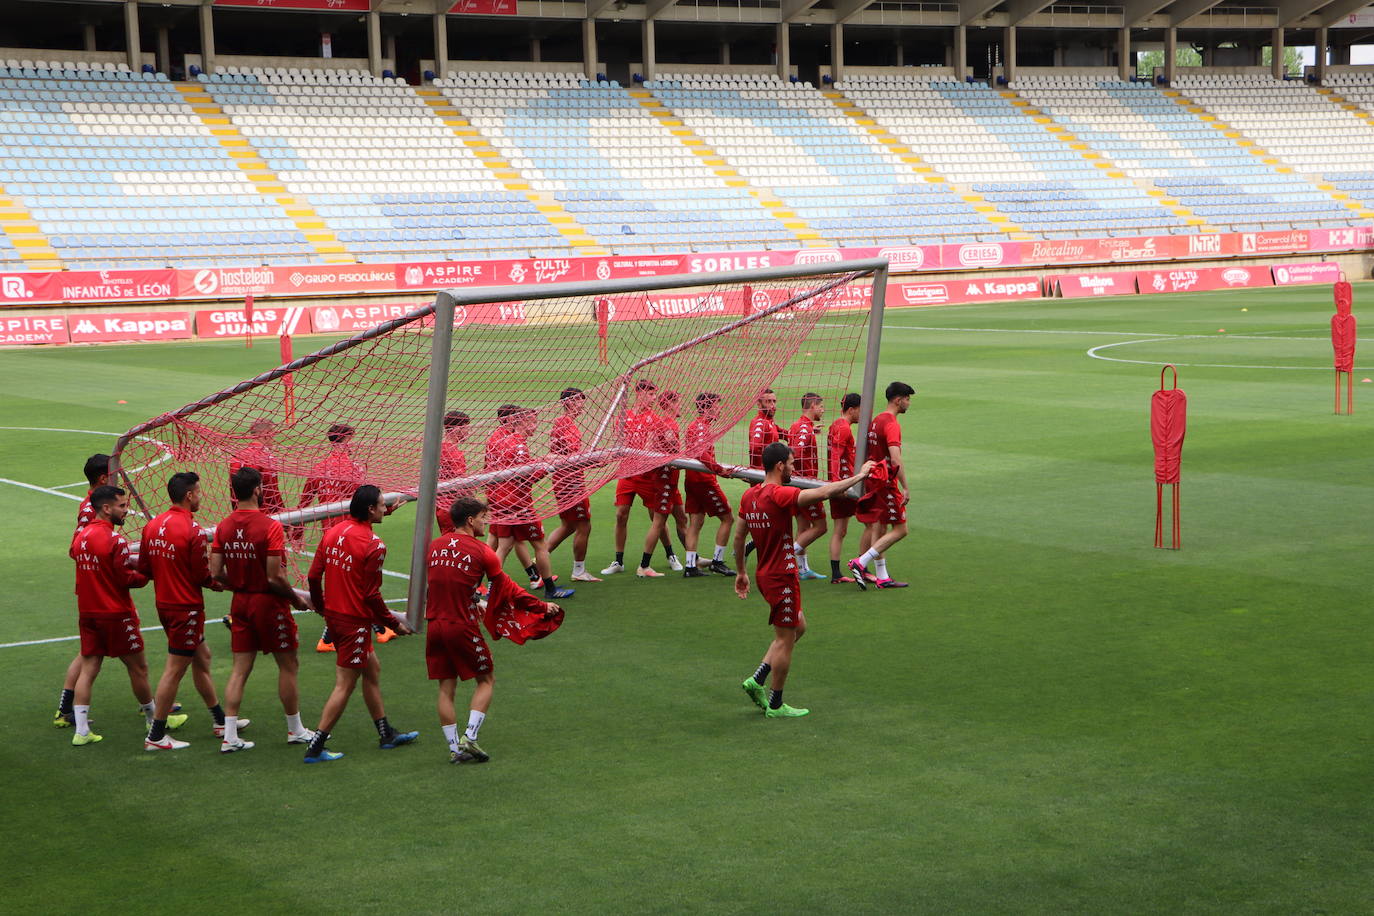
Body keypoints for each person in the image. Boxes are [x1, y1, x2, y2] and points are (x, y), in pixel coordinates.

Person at [735, 443, 873, 718]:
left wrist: (741, 571)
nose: (794, 468)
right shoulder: (779, 495)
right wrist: (860, 476)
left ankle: (757, 678)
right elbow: (823, 492)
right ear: (779, 466)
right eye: (791, 463)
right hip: (781, 576)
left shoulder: (749, 496)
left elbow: (739, 537)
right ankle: (775, 704)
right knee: (785, 639)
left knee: (799, 627)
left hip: (765, 574)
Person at [426, 496, 563, 764]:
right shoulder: (482, 551)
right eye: (482, 518)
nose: (485, 523)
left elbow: (442, 583)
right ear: (470, 520)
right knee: (486, 680)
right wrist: (539, 607)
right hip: (461, 625)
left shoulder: (434, 547)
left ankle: (455, 749)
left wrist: (474, 599)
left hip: (435, 625)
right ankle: (470, 738)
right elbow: (508, 589)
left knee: (445, 687)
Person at [302, 485, 417, 763]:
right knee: (345, 684)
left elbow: (314, 577)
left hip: (336, 616)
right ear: (370, 510)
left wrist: (320, 606)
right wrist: (392, 623)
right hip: (353, 622)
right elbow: (371, 595)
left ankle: (385, 733)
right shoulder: (374, 545)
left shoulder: (333, 532)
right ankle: (316, 747)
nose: (383, 508)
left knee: (372, 670)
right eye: (381, 505)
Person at [210, 467, 317, 753]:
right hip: (268, 604)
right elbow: (275, 576)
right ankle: (295, 730)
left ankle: (230, 736)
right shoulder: (269, 526)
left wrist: (241, 584)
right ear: (258, 489)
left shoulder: (223, 526)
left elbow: (215, 572)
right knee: (288, 664)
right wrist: (296, 600)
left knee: (240, 669)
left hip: (240, 604)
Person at [69, 485, 182, 745]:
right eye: (121, 506)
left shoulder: (81, 536)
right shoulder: (114, 540)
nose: (126, 510)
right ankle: (152, 720)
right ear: (106, 508)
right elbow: (125, 578)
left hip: (88, 611)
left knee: (89, 668)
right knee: (138, 668)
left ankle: (82, 731)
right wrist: (148, 574)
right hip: (116, 614)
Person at [136, 472, 226, 751]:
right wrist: (217, 583)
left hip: (164, 604)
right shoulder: (193, 530)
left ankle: (220, 721)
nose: (201, 496)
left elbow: (144, 569)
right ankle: (156, 735)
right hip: (185, 608)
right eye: (198, 492)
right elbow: (203, 575)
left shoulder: (152, 526)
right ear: (189, 495)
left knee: (203, 657)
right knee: (174, 671)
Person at [484, 405, 574, 601]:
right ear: (520, 422)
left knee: (505, 545)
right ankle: (550, 588)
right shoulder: (518, 445)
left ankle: (491, 589)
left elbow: (513, 467)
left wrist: (541, 460)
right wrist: (547, 468)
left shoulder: (501, 440)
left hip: (501, 498)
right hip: (518, 503)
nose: (536, 426)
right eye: (532, 422)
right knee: (540, 545)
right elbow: (524, 478)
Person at [54, 453, 112, 729]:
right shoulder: (92, 508)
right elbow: (75, 548)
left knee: (90, 652)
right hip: (100, 591)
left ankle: (65, 709)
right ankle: (153, 706)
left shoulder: (99, 504)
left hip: (98, 589)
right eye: (114, 472)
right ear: (103, 478)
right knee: (125, 654)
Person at [602, 379, 683, 575]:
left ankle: (670, 554)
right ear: (639, 393)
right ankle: (618, 561)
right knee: (621, 514)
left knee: (656, 518)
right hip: (627, 474)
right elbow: (618, 441)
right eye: (650, 394)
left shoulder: (656, 419)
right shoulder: (623, 417)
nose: (653, 399)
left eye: (655, 395)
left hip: (647, 475)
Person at [848, 382, 914, 590]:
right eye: (907, 398)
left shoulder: (876, 420)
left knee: (880, 525)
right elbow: (895, 459)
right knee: (901, 529)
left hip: (873, 479)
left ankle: (882, 576)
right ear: (897, 399)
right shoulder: (891, 423)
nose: (908, 403)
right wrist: (905, 486)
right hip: (885, 481)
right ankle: (860, 562)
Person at [545, 388, 600, 582]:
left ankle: (538, 559)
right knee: (584, 525)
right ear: (568, 403)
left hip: (565, 479)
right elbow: (571, 458)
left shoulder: (562, 424)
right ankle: (579, 571)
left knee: (568, 525)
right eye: (578, 401)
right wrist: (594, 460)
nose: (582, 404)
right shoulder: (565, 424)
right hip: (571, 481)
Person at [682, 392, 735, 578]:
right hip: (703, 481)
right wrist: (719, 469)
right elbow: (700, 454)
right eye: (717, 405)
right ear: (709, 406)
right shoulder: (701, 427)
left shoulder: (695, 426)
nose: (720, 409)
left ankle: (690, 567)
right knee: (728, 518)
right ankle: (718, 562)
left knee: (695, 522)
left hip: (691, 480)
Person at [635, 390, 683, 578]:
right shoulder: (669, 424)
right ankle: (644, 566)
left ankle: (692, 560)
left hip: (665, 479)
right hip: (665, 479)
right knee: (658, 522)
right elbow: (673, 450)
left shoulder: (658, 423)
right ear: (670, 404)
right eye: (678, 402)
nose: (680, 406)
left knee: (682, 518)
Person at [787, 393, 829, 581]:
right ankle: (785, 558)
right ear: (812, 405)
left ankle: (802, 569)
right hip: (806, 484)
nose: (823, 409)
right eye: (820, 406)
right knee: (820, 526)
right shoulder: (804, 427)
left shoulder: (798, 425)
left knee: (803, 526)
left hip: (796, 484)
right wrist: (802, 477)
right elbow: (796, 452)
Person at [827, 393, 863, 584]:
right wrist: (836, 484)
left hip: (842, 485)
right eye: (860, 410)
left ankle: (836, 574)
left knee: (840, 530)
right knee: (873, 522)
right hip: (845, 487)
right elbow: (835, 456)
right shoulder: (843, 429)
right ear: (851, 409)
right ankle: (863, 566)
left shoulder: (837, 425)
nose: (862, 414)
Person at [229, 418, 284, 513]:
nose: (274, 440)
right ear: (267, 435)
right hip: (263, 516)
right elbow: (272, 494)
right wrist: (283, 513)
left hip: (240, 514)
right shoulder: (266, 458)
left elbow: (233, 491)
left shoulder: (237, 456)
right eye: (273, 435)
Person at [435, 409, 471, 535]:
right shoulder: (454, 454)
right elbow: (462, 487)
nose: (469, 432)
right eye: (466, 428)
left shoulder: (439, 448)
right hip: (455, 510)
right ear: (458, 429)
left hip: (441, 507)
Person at [747, 388, 788, 473]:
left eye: (774, 401)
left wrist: (807, 431)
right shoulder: (760, 423)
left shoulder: (769, 421)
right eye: (768, 402)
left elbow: (784, 433)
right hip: (764, 476)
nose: (773, 405)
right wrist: (759, 471)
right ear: (759, 404)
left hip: (771, 474)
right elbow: (754, 448)